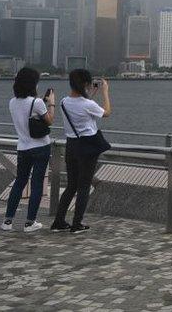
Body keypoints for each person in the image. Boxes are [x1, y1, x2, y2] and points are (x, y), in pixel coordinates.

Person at [51, 69, 111, 234]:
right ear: (86, 83)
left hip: (71, 145)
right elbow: (106, 113)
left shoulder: (64, 102)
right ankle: (77, 224)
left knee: (71, 186)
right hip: (87, 147)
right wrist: (105, 92)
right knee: (84, 186)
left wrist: (90, 94)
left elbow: (80, 108)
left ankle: (59, 221)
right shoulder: (88, 104)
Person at [2, 67, 56, 232]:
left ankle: (7, 221)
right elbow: (50, 121)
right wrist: (51, 103)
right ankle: (30, 222)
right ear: (33, 84)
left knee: (20, 182)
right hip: (40, 147)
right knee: (37, 184)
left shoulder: (12, 102)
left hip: (23, 147)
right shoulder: (37, 102)